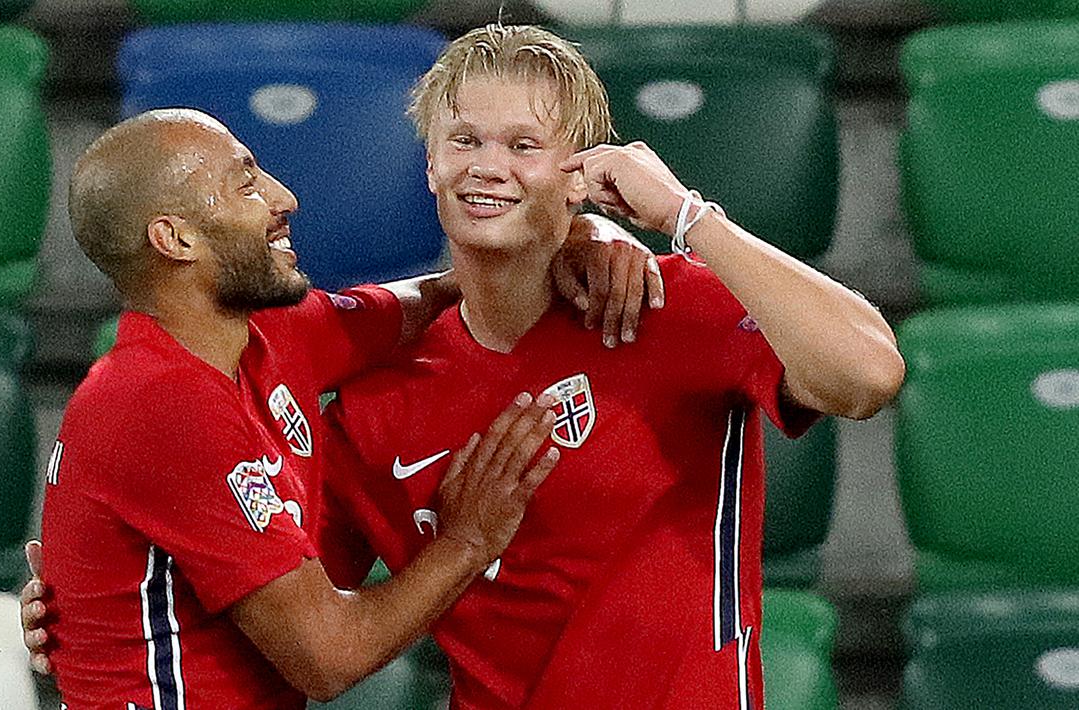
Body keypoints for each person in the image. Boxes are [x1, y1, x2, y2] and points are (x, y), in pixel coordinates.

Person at [308, 24, 905, 710]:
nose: (486, 166)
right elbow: (314, 643)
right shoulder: (372, 402)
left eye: (523, 145)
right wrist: (460, 547)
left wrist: (686, 216)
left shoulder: (672, 307)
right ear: (430, 165)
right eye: (464, 140)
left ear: (580, 173)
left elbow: (867, 377)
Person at [34, 107, 655, 709]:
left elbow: (419, 301)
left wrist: (577, 234)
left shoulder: (273, 334)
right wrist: (469, 538)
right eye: (247, 185)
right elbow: (326, 657)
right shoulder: (159, 406)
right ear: (176, 239)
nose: (285, 199)